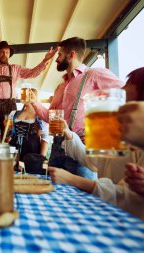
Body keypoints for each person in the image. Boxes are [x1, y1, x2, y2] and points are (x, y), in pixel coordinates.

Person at [49, 66, 144, 232]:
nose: (121, 89)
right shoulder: (118, 133)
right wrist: (68, 133)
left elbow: (135, 202)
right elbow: (94, 162)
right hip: (112, 216)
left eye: (130, 84)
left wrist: (73, 180)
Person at [32, 37, 124, 179]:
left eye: (60, 54)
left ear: (71, 55)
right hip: (57, 145)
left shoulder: (94, 75)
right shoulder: (60, 87)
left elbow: (124, 94)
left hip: (82, 145)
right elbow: (50, 118)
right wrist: (35, 102)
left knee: (83, 194)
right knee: (53, 190)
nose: (56, 59)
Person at [0, 40, 57, 140]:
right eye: (2, 52)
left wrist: (44, 61)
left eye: (7, 52)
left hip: (10, 106)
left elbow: (32, 73)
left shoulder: (16, 68)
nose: (5, 54)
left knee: (8, 135)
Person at [8, 88, 49, 174]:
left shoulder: (41, 116)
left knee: (28, 175)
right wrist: (8, 128)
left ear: (36, 98)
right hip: (13, 150)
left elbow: (45, 139)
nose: (26, 97)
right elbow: (9, 134)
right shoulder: (13, 113)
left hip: (31, 152)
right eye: (25, 94)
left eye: (30, 95)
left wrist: (39, 160)